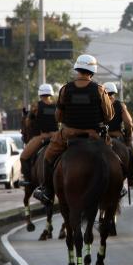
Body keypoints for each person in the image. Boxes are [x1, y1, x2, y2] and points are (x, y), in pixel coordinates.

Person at [32, 54, 113, 205]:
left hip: (68, 134)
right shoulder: (99, 90)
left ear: (77, 69)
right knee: (113, 158)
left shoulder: (65, 89)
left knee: (48, 157)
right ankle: (116, 187)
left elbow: (58, 117)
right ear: (92, 71)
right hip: (93, 135)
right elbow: (108, 116)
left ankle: (46, 190)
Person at [20, 83, 59, 184]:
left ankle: (27, 179)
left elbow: (28, 123)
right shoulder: (56, 106)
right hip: (56, 136)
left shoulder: (36, 106)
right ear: (50, 94)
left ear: (40, 94)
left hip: (42, 136)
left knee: (23, 157)